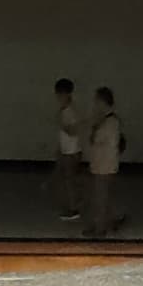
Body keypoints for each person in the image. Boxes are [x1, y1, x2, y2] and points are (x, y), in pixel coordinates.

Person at [83, 86, 123, 238]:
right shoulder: (106, 121)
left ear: (102, 102)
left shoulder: (110, 123)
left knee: (100, 197)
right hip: (102, 164)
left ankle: (100, 228)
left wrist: (95, 132)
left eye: (96, 101)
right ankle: (110, 222)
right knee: (104, 196)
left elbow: (103, 142)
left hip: (104, 166)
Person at [50, 78, 85, 221]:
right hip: (67, 151)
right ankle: (73, 203)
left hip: (72, 152)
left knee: (70, 181)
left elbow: (73, 131)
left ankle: (74, 208)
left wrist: (61, 123)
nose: (58, 97)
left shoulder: (70, 111)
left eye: (60, 94)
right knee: (68, 180)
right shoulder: (65, 110)